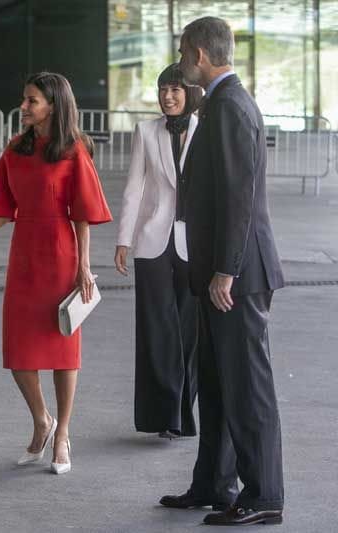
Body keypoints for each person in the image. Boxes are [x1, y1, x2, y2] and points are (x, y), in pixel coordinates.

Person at [0, 72, 112, 475]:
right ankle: (42, 420)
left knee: (63, 350)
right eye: (24, 99)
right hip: (24, 257)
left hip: (61, 253)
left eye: (32, 101)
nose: (24, 106)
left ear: (52, 105)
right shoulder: (13, 150)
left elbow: (83, 216)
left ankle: (63, 433)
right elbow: (2, 210)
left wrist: (84, 267)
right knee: (20, 352)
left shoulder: (74, 151)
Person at [159, 17, 285, 526]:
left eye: (184, 51)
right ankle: (214, 483)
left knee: (246, 386)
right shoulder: (219, 102)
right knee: (214, 381)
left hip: (238, 276)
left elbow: (238, 198)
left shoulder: (230, 106)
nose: (182, 59)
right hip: (220, 271)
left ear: (201, 53)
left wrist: (225, 273)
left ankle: (263, 496)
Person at [115, 63, 202, 440]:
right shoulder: (145, 131)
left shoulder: (207, 130)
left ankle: (182, 413)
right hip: (152, 241)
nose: (167, 96)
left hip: (196, 244)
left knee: (190, 330)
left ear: (190, 93)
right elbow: (134, 188)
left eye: (176, 90)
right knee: (156, 328)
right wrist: (124, 239)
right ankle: (162, 414)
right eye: (163, 89)